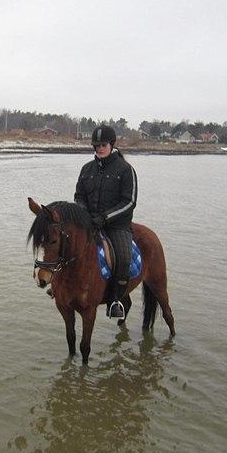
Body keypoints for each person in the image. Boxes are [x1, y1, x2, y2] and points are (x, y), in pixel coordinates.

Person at [74, 125, 137, 320]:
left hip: (116, 226)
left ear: (112, 144)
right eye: (95, 145)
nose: (99, 148)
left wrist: (105, 217)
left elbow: (129, 202)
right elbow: (79, 196)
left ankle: (116, 300)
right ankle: (62, 287)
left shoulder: (126, 170)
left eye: (102, 145)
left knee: (124, 257)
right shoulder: (86, 169)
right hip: (90, 222)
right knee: (66, 245)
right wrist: (85, 214)